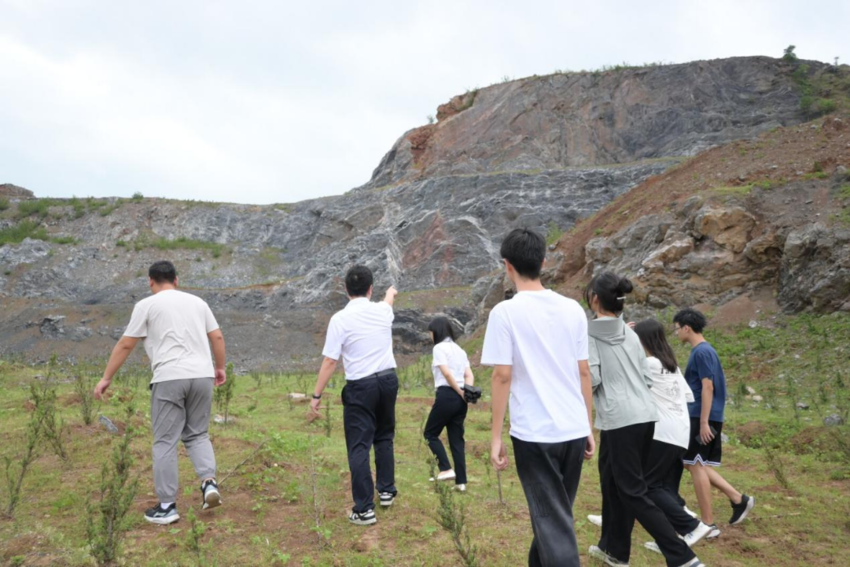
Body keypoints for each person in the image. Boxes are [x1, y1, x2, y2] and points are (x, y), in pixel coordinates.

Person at [482, 228, 595, 567]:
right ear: (543, 261)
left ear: (507, 266)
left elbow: (503, 375)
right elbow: (584, 372)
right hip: (573, 430)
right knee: (554, 517)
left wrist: (496, 436)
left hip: (535, 434)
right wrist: (587, 425)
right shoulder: (573, 309)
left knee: (553, 521)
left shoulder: (505, 313)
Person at [94, 260, 227, 525]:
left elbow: (125, 345)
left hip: (169, 377)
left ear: (150, 281)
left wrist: (107, 377)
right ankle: (209, 483)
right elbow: (217, 337)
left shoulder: (146, 305)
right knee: (198, 433)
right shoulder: (198, 303)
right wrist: (220, 367)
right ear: (176, 280)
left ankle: (167, 507)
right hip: (202, 375)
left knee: (165, 441)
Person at [585, 273, 703, 567]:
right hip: (644, 415)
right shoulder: (630, 332)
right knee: (611, 481)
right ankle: (614, 550)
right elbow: (643, 375)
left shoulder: (588, 334)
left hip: (618, 417)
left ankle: (682, 556)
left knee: (633, 490)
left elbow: (593, 378)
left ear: (594, 299)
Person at [309, 265, 399, 526]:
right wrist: (391, 292)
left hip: (361, 386)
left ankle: (364, 509)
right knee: (384, 436)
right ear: (371, 289)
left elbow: (330, 361)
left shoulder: (340, 319)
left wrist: (316, 395)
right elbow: (388, 301)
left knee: (359, 444)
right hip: (388, 380)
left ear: (346, 290)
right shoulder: (383, 311)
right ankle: (386, 491)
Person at [633, 319, 714, 551]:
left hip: (662, 433)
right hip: (680, 431)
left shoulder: (648, 363)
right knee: (663, 486)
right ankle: (669, 536)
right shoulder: (671, 365)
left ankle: (691, 525)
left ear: (642, 340)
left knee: (648, 486)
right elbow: (688, 396)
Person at [674, 308, 754, 535]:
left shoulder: (702, 352)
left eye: (677, 328)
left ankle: (708, 525)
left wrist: (703, 422)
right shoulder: (702, 351)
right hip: (702, 414)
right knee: (691, 462)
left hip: (702, 415)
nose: (677, 333)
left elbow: (708, 386)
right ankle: (738, 499)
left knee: (695, 464)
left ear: (686, 328)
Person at [423, 316, 473, 492]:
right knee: (456, 440)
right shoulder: (460, 350)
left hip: (447, 394)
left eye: (430, 332)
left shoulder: (439, 348)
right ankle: (461, 482)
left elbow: (446, 373)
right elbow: (469, 374)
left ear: (436, 331)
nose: (430, 336)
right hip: (461, 400)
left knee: (430, 433)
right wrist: (466, 392)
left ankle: (445, 468)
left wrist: (459, 392)